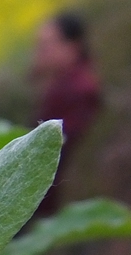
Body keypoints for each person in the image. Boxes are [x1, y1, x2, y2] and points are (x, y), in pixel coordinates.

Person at [31, 12, 101, 216]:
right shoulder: (60, 83)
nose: (39, 54)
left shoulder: (81, 89)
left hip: (49, 202)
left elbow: (58, 148)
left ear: (71, 47)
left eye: (45, 46)